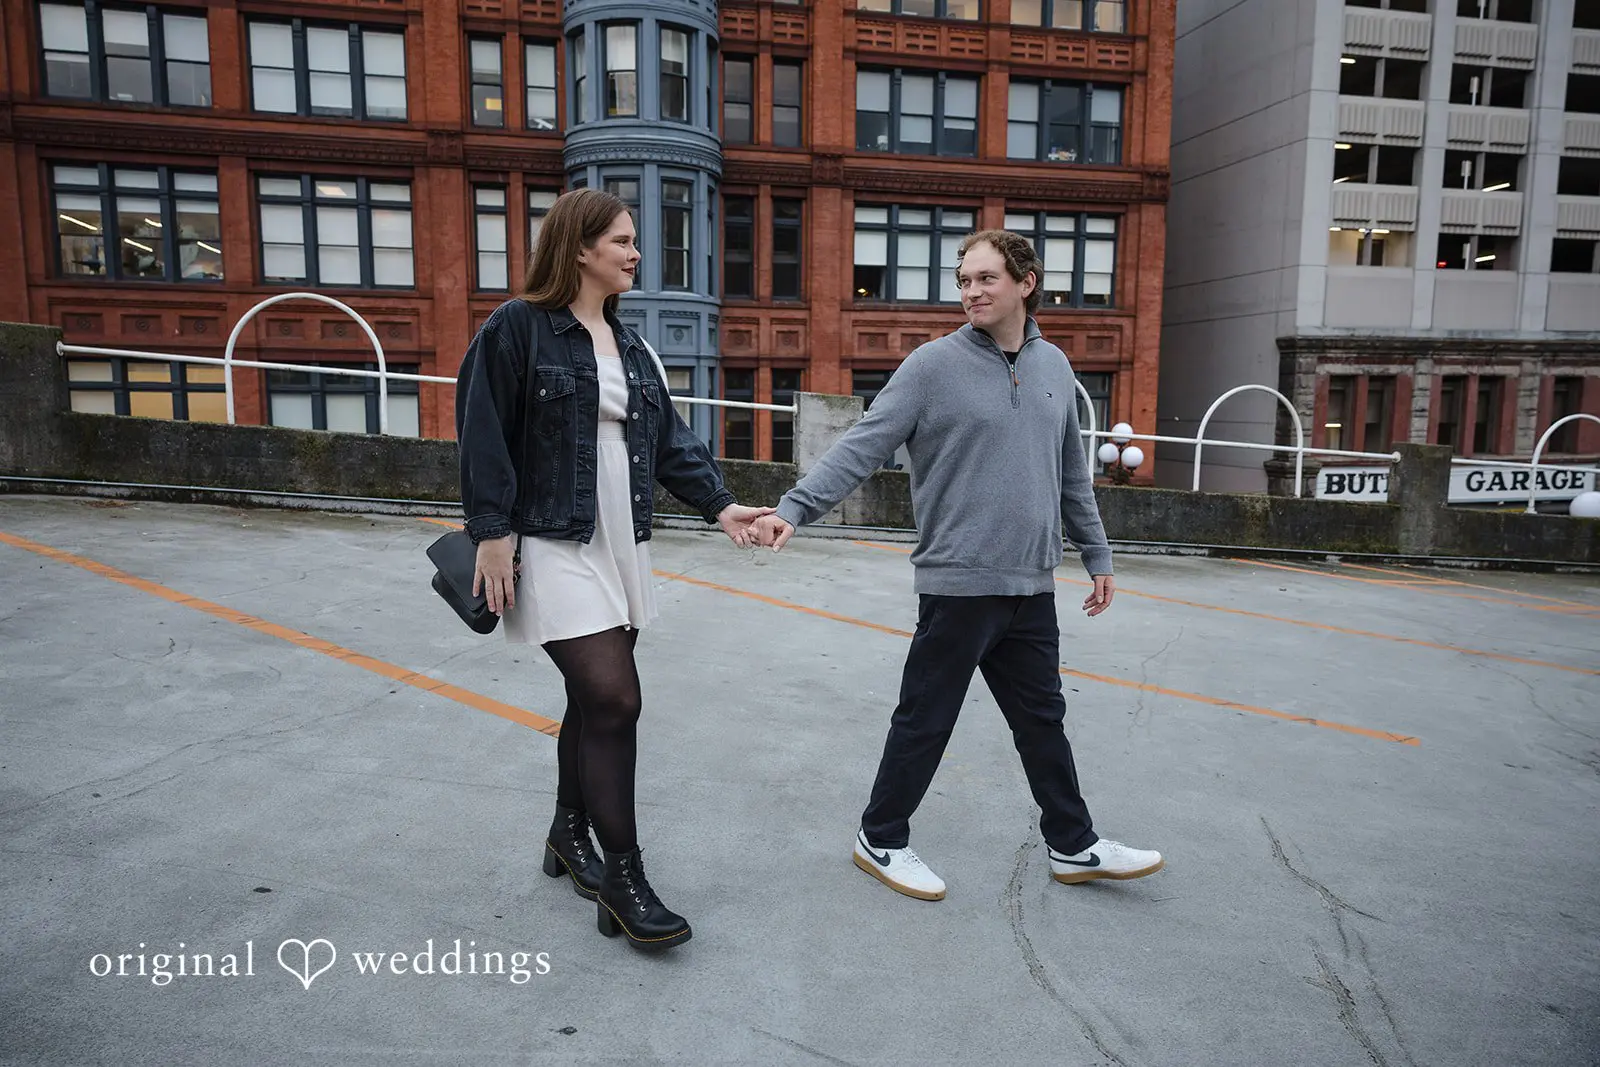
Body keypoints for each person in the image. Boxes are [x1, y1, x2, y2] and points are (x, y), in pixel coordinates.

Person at [750, 230, 1163, 901]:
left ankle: (1073, 844)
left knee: (1042, 719)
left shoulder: (1055, 367)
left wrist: (1097, 553)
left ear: (1026, 283)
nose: (971, 290)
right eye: (964, 278)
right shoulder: (932, 367)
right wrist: (793, 509)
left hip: (1030, 583)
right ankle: (880, 837)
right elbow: (864, 443)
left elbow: (1070, 475)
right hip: (959, 581)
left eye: (986, 278)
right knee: (927, 716)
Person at [455, 189, 772, 949]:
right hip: (550, 537)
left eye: (634, 241)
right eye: (623, 241)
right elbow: (481, 429)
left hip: (618, 540)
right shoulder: (518, 328)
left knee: (591, 701)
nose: (635, 253)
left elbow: (670, 442)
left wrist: (721, 506)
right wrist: (491, 533)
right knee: (614, 697)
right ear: (580, 247)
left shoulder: (630, 346)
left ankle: (570, 831)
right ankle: (624, 878)